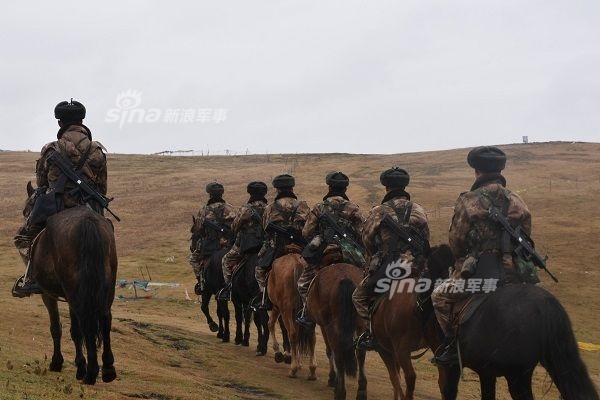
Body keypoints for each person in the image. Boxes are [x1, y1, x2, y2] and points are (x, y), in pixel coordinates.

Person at [431, 146, 531, 366]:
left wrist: (463, 261)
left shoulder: (468, 200)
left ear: (476, 170)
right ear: (501, 169)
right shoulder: (517, 200)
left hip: (480, 273)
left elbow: (456, 242)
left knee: (438, 297)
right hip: (514, 272)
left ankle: (450, 346)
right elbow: (526, 236)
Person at [13, 99, 108, 297]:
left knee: (23, 238)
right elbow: (102, 188)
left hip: (57, 206)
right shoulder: (97, 150)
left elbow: (42, 184)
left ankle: (31, 277)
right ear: (82, 120)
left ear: (59, 123)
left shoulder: (50, 149)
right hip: (90, 206)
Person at [352, 167, 430, 350]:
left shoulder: (378, 211)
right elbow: (426, 240)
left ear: (386, 187)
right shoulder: (419, 209)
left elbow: (367, 241)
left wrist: (376, 255)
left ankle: (371, 334)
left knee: (359, 297)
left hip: (389, 268)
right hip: (418, 267)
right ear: (405, 185)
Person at [296, 171, 364, 328]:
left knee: (303, 283)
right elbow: (363, 234)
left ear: (329, 186)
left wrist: (319, 238)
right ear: (345, 188)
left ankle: (306, 313)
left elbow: (307, 232)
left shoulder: (319, 208)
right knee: (367, 279)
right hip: (352, 256)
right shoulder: (354, 208)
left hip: (325, 253)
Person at [254, 174, 310, 308]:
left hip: (277, 247)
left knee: (259, 269)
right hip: (301, 246)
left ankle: (265, 298)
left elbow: (265, 230)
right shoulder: (303, 205)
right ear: (292, 187)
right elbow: (309, 229)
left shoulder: (270, 208)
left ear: (277, 189)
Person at [219, 181, 268, 300]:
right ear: (264, 193)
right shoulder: (269, 208)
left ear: (250, 193)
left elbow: (234, 227)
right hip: (266, 245)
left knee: (226, 260)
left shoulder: (245, 209)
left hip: (247, 245)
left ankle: (229, 289)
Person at [189, 182, 236, 294]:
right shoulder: (231, 209)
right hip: (230, 245)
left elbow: (198, 230)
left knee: (193, 259)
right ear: (221, 194)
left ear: (209, 194)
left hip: (212, 245)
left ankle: (201, 283)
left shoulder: (204, 210)